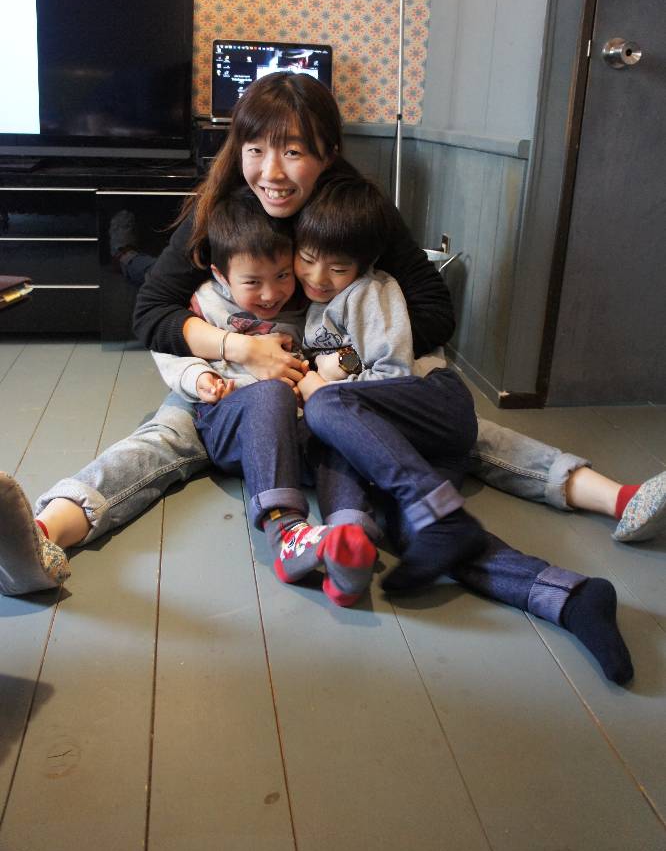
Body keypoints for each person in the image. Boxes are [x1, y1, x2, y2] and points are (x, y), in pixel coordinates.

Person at [0, 71, 662, 602]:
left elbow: (433, 311)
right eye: (256, 149)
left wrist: (346, 357)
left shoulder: (353, 213)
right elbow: (152, 312)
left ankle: (619, 497)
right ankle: (40, 535)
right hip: (236, 378)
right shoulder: (222, 211)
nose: (272, 171)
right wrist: (240, 349)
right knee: (161, 438)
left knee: (463, 422)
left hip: (345, 380)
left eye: (293, 151)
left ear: (328, 153)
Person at [284, 173, 633, 684]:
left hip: (433, 404)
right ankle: (567, 595)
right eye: (308, 259)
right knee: (411, 530)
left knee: (327, 410)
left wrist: (324, 383)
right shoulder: (315, 307)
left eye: (337, 267)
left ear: (364, 263)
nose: (318, 275)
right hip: (412, 452)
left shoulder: (371, 291)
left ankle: (435, 514)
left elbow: (392, 373)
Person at [152, 187, 377, 606]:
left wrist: (332, 371)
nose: (271, 294)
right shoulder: (205, 303)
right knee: (270, 393)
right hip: (230, 425)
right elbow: (169, 351)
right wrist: (199, 379)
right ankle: (286, 531)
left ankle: (350, 537)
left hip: (297, 432)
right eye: (252, 282)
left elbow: (338, 353)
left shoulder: (308, 304)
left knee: (335, 417)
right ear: (222, 275)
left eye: (282, 276)